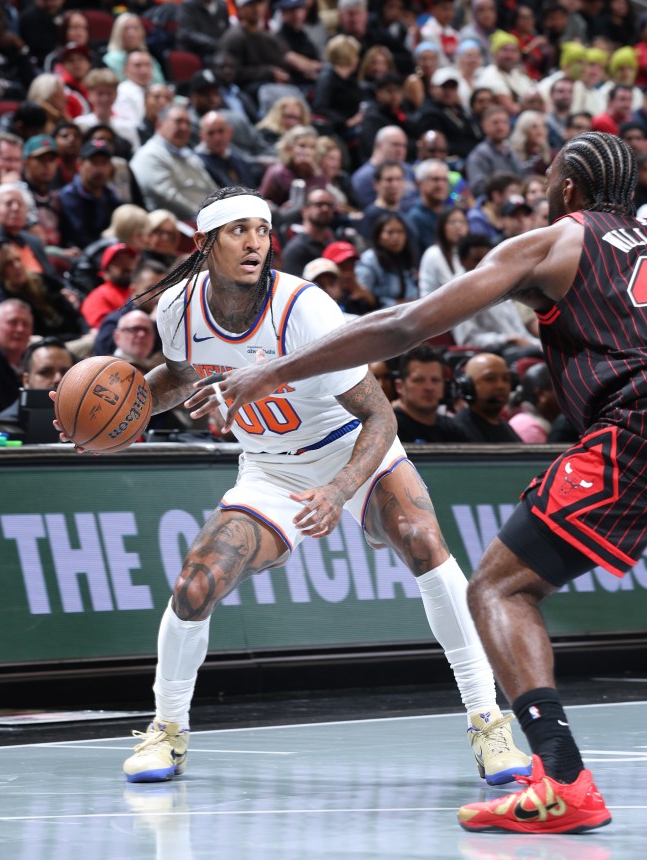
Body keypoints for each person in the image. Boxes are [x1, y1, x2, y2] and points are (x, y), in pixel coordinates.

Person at [211, 131, 645, 834]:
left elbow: (407, 323)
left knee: (499, 588)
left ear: (568, 189)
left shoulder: (554, 242)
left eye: (549, 177)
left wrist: (272, 369)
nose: (540, 186)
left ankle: (561, 781)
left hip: (634, 424)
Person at [87, 183, 529, 787]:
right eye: (238, 230)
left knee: (423, 541)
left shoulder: (305, 310)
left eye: (262, 230)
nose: (254, 242)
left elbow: (381, 415)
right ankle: (167, 731)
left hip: (354, 450)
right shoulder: (176, 310)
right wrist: (130, 403)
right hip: (269, 467)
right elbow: (184, 376)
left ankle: (489, 723)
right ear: (204, 243)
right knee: (196, 583)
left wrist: (340, 490)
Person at [393, 346, 470, 443]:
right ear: (400, 386)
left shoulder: (454, 430)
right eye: (419, 380)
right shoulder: (387, 429)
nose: (429, 387)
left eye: (435, 380)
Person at [450, 352, 521, 442]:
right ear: (468, 386)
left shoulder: (503, 425)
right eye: (490, 379)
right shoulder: (459, 430)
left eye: (506, 379)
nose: (501, 385)